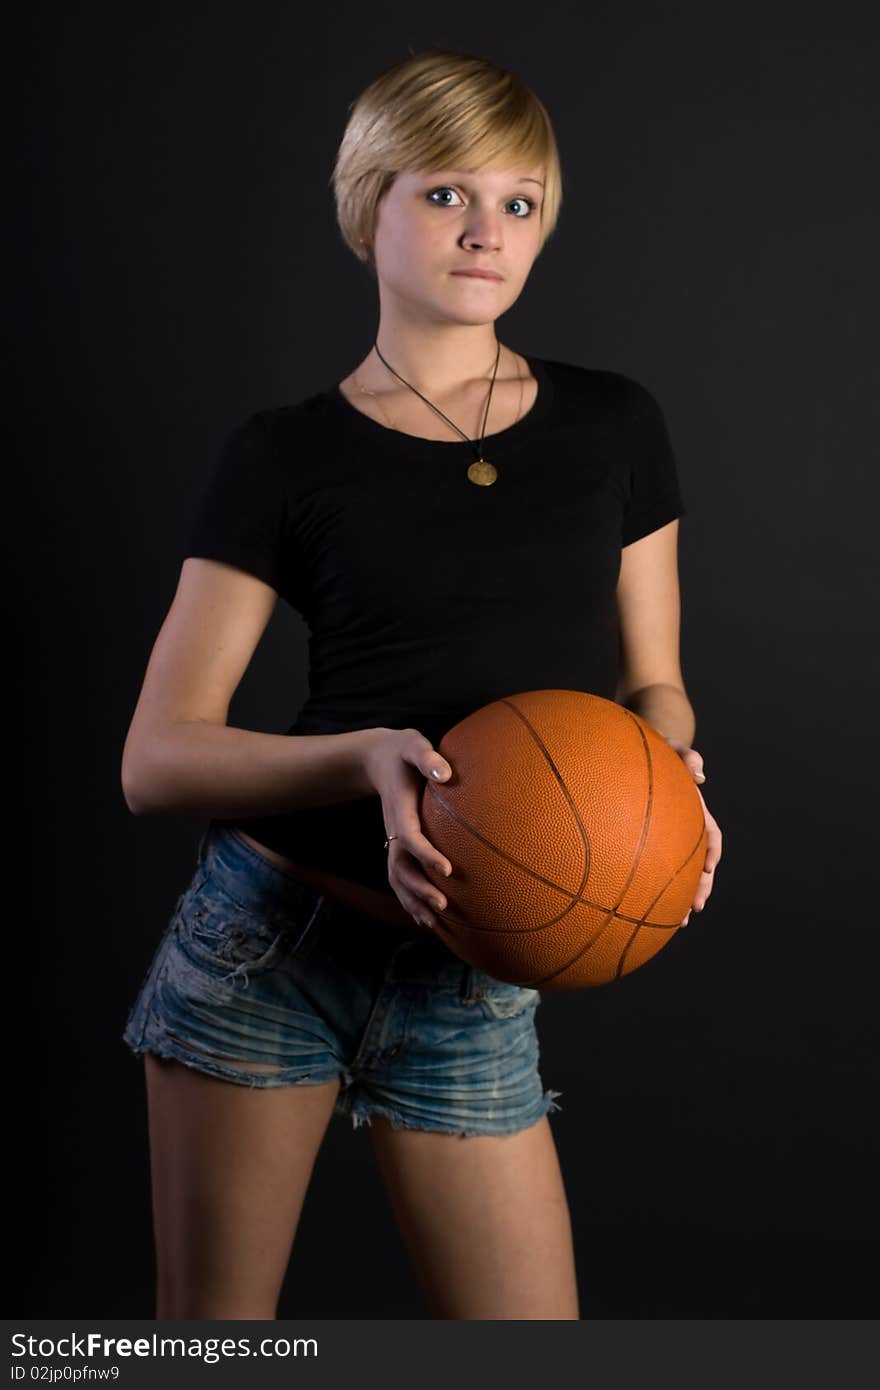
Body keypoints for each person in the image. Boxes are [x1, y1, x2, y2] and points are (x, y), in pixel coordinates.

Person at [120, 47, 722, 1321]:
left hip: (473, 969)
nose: (486, 230)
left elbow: (656, 687)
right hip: (271, 941)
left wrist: (668, 779)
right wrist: (367, 753)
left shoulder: (616, 426)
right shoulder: (284, 455)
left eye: (519, 202)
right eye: (446, 193)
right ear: (368, 206)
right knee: (209, 1351)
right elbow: (157, 757)